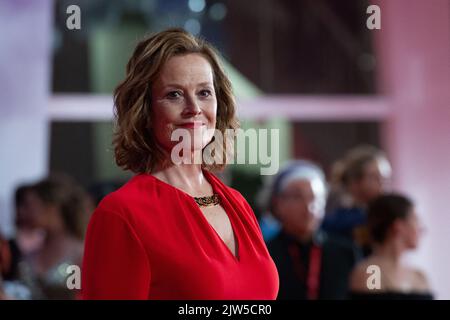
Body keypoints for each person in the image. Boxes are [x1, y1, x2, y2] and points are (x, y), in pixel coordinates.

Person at [81, 28, 279, 300]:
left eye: (204, 93)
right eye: (174, 94)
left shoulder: (238, 204)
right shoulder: (122, 214)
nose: (194, 108)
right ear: (145, 110)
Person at [263, 161, 361, 299]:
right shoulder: (265, 255)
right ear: (278, 203)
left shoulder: (346, 252)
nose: (309, 207)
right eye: (298, 197)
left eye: (314, 198)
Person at [349, 193, 433, 299]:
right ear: (398, 226)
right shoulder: (371, 274)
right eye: (415, 220)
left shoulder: (420, 277)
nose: (421, 229)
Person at [21, 174, 90, 299]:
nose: (23, 212)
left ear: (51, 208)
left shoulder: (81, 254)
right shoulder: (31, 252)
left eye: (30, 205)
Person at [321, 145, 392, 256]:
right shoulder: (335, 222)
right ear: (354, 183)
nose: (383, 183)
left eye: (385, 178)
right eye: (375, 177)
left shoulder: (389, 215)